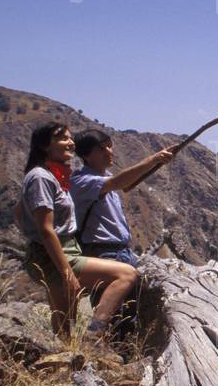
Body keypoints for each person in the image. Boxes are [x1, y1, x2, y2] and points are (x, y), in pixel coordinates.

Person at [16, 122, 138, 339]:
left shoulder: (48, 176)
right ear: (45, 146)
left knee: (65, 324)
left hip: (53, 253)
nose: (70, 142)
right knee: (126, 274)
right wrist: (67, 273)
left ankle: (64, 362)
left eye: (70, 138)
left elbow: (18, 211)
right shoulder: (41, 177)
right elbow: (46, 230)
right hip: (54, 254)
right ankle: (94, 333)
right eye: (62, 138)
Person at [69, 130, 176, 329]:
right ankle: (98, 342)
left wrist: (157, 162)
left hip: (119, 252)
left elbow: (123, 183)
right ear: (86, 155)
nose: (109, 151)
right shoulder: (82, 181)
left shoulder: (103, 178)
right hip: (103, 253)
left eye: (109, 146)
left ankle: (118, 352)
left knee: (129, 313)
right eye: (102, 148)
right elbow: (120, 182)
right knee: (114, 314)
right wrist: (155, 159)